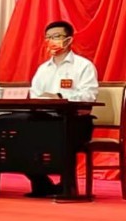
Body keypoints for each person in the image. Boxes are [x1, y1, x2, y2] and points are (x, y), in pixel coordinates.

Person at [25, 20, 99, 197]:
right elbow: (34, 94)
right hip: (45, 118)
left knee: (62, 132)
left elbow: (89, 96)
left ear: (69, 40)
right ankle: (41, 183)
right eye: (48, 37)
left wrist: (59, 96)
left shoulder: (83, 66)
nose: (52, 41)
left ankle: (68, 185)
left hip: (76, 120)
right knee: (19, 130)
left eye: (56, 36)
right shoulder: (43, 69)